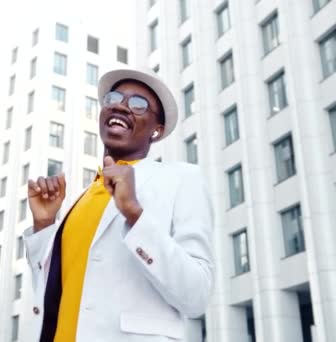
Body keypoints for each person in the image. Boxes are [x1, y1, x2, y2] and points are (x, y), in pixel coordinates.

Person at [23, 69, 214, 342]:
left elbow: (196, 295)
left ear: (157, 131)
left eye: (138, 104)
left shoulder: (182, 179)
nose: (121, 105)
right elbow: (51, 296)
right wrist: (44, 225)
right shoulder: (82, 198)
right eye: (114, 98)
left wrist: (134, 214)